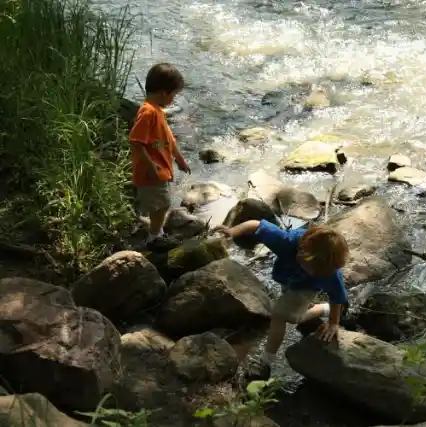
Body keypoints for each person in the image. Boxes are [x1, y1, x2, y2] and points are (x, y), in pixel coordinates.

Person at [213, 219, 349, 380]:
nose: (314, 273)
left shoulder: (329, 273)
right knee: (293, 317)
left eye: (319, 272)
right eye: (312, 268)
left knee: (279, 314)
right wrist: (232, 231)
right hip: (287, 280)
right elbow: (256, 225)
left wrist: (334, 323)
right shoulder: (286, 242)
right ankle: (321, 309)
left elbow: (337, 296)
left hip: (306, 288)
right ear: (302, 251)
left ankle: (265, 362)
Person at [129, 63, 191, 250]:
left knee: (161, 203)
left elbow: (169, 140)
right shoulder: (148, 112)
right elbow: (135, 141)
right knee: (162, 204)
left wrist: (179, 159)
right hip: (151, 172)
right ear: (163, 93)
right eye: (173, 95)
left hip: (160, 169)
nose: (173, 99)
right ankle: (154, 237)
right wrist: (150, 165)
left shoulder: (158, 111)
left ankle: (156, 231)